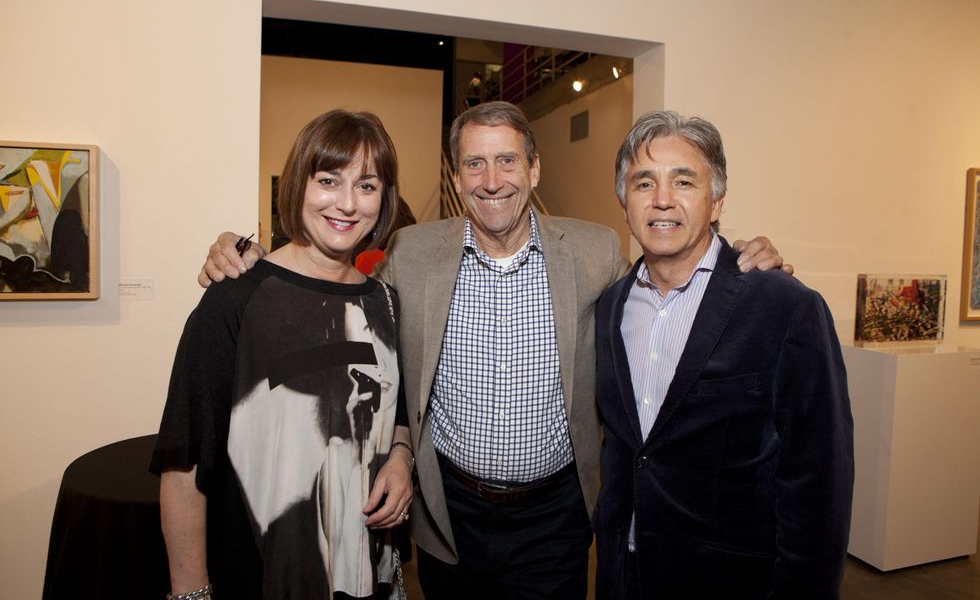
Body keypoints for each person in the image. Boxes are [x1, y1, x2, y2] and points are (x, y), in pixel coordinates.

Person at [199, 101, 788, 599]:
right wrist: (244, 253)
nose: (491, 179)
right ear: (456, 178)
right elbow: (342, 298)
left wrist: (740, 259)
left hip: (556, 513)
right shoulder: (411, 251)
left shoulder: (594, 251)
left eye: (507, 160)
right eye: (473, 163)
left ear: (533, 168)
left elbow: (667, 281)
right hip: (449, 512)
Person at [151, 110, 414, 600]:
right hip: (262, 575)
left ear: (385, 199)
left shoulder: (386, 304)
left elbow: (394, 410)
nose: (347, 203)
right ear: (298, 185)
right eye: (329, 180)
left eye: (367, 185)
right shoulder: (237, 299)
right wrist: (190, 593)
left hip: (367, 573)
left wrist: (400, 456)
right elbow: (184, 463)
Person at [594, 111, 853, 599]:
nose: (662, 199)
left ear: (716, 202)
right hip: (624, 574)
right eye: (643, 182)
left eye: (684, 181)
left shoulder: (786, 307)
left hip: (729, 581)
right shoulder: (611, 307)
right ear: (625, 203)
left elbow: (819, 483)